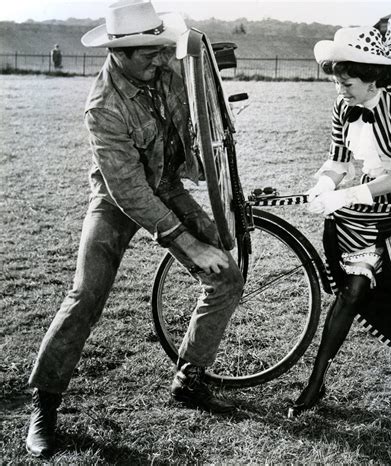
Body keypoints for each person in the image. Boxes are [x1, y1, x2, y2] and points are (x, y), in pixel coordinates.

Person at [26, 0, 244, 458]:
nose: (160, 57)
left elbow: (194, 134)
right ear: (118, 53)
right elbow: (129, 191)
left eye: (159, 47)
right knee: (86, 295)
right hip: (116, 199)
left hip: (163, 185)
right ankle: (44, 406)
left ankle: (190, 377)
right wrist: (186, 242)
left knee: (225, 273)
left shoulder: (164, 72)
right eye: (147, 51)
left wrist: (219, 176)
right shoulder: (102, 107)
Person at [287, 14, 391, 424]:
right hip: (374, 204)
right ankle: (316, 381)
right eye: (338, 81)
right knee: (353, 289)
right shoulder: (344, 106)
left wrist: (350, 194)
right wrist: (323, 185)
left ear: (372, 77)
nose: (340, 89)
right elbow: (339, 160)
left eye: (347, 83)